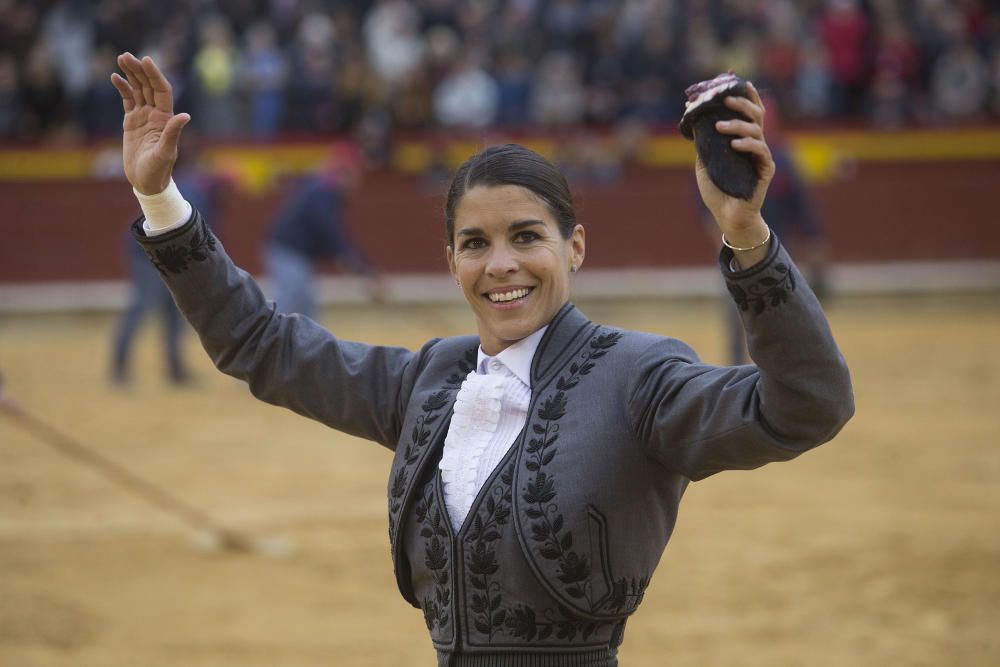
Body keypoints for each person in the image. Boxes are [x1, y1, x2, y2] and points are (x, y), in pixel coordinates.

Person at [111, 53, 853, 665]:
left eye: (527, 236)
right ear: (452, 259)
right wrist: (160, 197)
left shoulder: (641, 378)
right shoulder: (428, 380)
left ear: (576, 247)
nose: (501, 264)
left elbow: (807, 404)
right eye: (476, 243)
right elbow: (260, 343)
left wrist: (748, 238)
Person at [110, 130, 226, 385]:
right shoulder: (195, 185)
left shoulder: (184, 181)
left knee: (173, 309)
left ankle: (174, 370)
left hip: (167, 252)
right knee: (145, 305)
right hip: (149, 252)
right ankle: (120, 369)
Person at [264, 145, 381, 319]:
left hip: (291, 252)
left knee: (303, 304)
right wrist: (360, 268)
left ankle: (307, 343)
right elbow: (330, 233)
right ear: (344, 173)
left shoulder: (320, 189)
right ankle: (266, 340)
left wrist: (361, 267)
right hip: (288, 252)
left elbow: (333, 237)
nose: (355, 182)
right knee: (291, 300)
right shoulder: (323, 193)